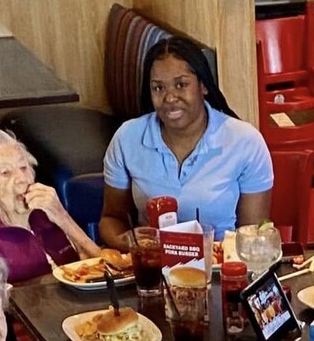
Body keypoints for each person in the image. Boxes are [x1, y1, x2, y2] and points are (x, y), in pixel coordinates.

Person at [99, 37, 272, 246]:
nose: (170, 98)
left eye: (181, 85)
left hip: (220, 268)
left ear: (203, 86)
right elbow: (112, 219)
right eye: (158, 88)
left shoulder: (246, 142)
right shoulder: (127, 138)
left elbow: (253, 236)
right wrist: (126, 242)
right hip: (153, 269)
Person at [0, 128, 100, 282]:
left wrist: (63, 217)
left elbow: (101, 266)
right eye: (6, 173)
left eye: (23, 168)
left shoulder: (46, 211)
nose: (22, 178)